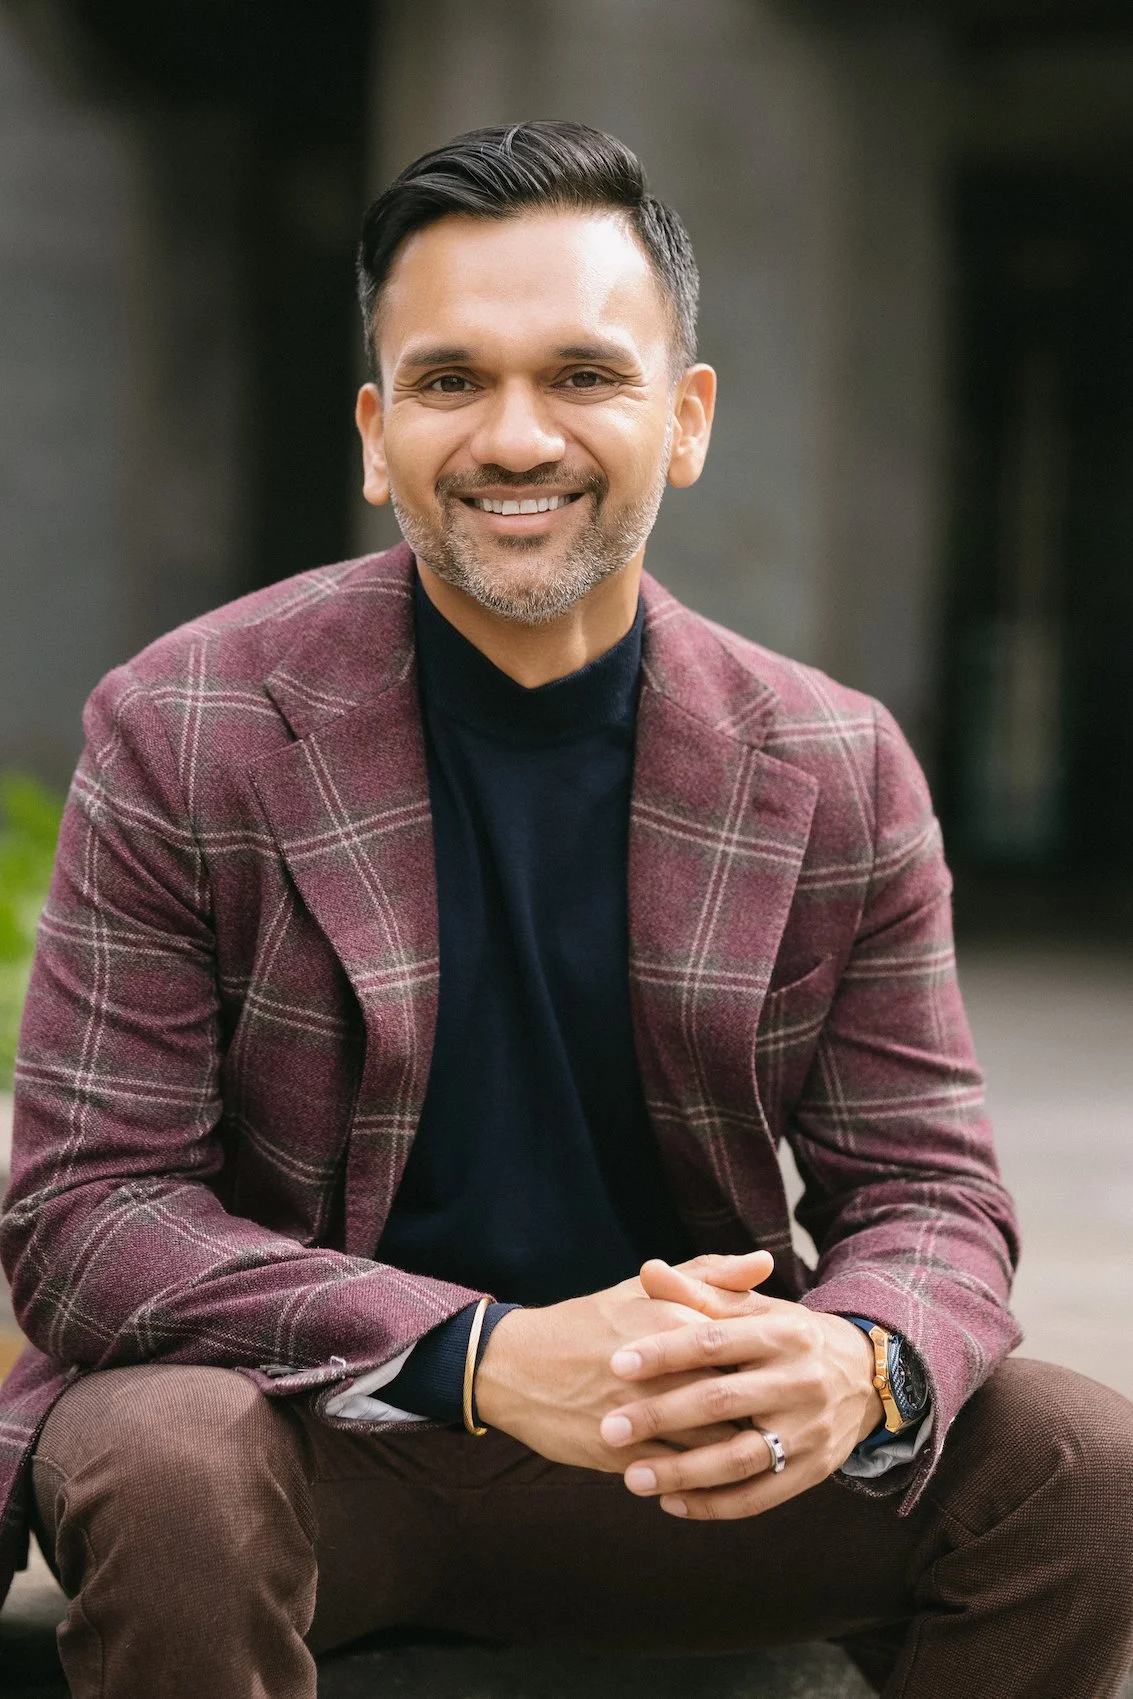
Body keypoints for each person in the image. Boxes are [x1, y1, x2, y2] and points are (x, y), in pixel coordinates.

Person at [1, 121, 1130, 1699]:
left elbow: (934, 1200)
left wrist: (852, 1358)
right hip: (324, 1441)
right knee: (160, 1453)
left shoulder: (832, 760)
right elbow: (89, 1215)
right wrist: (478, 1355)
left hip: (699, 1458)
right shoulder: (186, 721)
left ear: (686, 419)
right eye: (453, 381)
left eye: (584, 375)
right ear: (377, 432)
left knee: (1084, 1459)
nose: (515, 435)